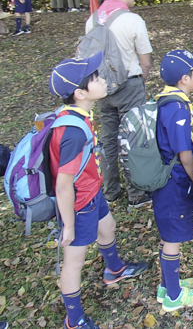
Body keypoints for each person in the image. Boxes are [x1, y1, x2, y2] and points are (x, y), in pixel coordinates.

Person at [48, 53, 149, 329]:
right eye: (96, 78)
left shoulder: (79, 114)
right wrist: (68, 225)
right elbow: (63, 184)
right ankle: (74, 317)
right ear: (80, 93)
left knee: (108, 226)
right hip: (79, 204)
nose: (103, 79)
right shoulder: (72, 132)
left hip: (92, 193)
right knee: (74, 260)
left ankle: (114, 269)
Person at [85, 0, 153, 207]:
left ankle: (111, 189)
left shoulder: (92, 20)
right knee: (132, 138)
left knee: (109, 138)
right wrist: (141, 79)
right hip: (129, 85)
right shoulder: (132, 20)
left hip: (101, 88)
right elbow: (145, 60)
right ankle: (136, 194)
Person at [153, 49, 193, 312]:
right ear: (185, 79)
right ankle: (174, 296)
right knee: (173, 237)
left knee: (169, 236)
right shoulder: (177, 108)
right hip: (174, 181)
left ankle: (168, 284)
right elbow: (184, 152)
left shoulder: (167, 100)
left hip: (168, 177)